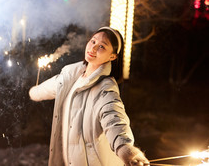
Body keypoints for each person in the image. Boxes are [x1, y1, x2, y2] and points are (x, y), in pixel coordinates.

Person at [29, 26, 150, 166]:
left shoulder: (105, 88)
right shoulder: (71, 75)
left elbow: (113, 118)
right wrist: (33, 92)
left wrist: (125, 149)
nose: (93, 48)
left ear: (112, 56)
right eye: (93, 41)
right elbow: (48, 88)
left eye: (102, 47)